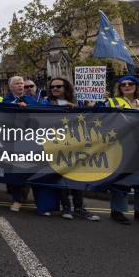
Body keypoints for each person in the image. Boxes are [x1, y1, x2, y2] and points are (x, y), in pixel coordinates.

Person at [42, 77, 99, 221]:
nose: (54, 89)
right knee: (61, 177)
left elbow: (87, 118)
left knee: (77, 176)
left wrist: (87, 107)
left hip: (76, 143)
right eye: (52, 87)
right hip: (56, 144)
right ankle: (66, 207)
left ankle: (79, 208)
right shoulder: (45, 102)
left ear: (66, 88)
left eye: (58, 86)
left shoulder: (77, 102)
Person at [107, 75, 139, 226]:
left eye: (130, 84)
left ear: (136, 87)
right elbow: (102, 120)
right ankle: (117, 210)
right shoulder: (112, 102)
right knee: (122, 180)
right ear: (119, 88)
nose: (127, 86)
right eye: (123, 84)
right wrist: (112, 112)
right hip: (122, 147)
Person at [3, 76, 38, 211]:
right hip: (12, 140)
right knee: (15, 171)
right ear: (11, 87)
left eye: (22, 83)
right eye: (17, 83)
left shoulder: (30, 99)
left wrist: (27, 107)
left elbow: (40, 111)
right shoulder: (6, 100)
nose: (21, 85)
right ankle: (16, 200)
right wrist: (15, 106)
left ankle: (29, 197)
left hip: (29, 140)